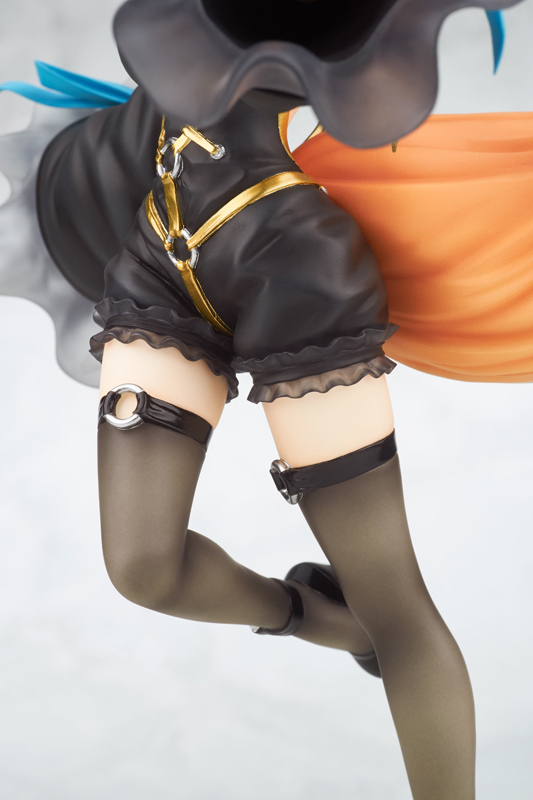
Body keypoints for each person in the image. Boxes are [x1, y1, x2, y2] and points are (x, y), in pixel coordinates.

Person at [0, 2, 530, 798]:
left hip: (302, 289)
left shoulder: (311, 236)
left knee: (395, 605)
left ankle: (379, 643)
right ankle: (329, 620)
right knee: (144, 570)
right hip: (160, 265)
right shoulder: (164, 104)